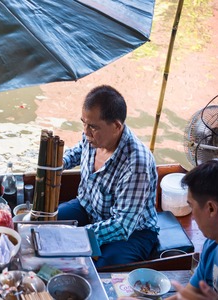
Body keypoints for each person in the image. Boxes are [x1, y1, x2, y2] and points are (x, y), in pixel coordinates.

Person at [57, 85, 159, 268]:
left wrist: (78, 235)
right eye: (84, 123)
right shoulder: (93, 137)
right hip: (89, 209)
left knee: (100, 270)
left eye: (93, 127)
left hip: (133, 232)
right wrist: (60, 163)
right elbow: (79, 150)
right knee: (47, 225)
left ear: (117, 126)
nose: (86, 132)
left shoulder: (137, 164)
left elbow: (122, 225)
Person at [167, 159, 218, 300]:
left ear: (211, 208)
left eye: (191, 206)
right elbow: (188, 296)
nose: (193, 217)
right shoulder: (211, 245)